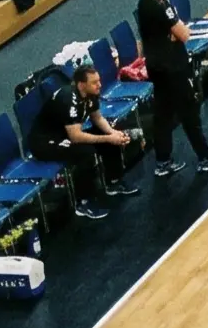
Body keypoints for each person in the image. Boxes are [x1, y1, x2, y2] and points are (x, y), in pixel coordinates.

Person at [137, 0, 208, 178]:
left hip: (156, 65)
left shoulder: (144, 0)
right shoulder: (161, 4)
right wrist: (175, 32)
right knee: (188, 111)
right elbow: (184, 34)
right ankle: (205, 158)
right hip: (172, 67)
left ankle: (163, 161)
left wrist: (173, 33)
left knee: (163, 114)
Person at [32, 63, 137, 219]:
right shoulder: (69, 100)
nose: (99, 85)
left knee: (107, 137)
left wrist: (114, 134)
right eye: (94, 82)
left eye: (99, 81)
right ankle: (83, 203)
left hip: (66, 132)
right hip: (45, 142)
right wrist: (108, 138)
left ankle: (114, 181)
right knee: (85, 153)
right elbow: (76, 137)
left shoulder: (91, 93)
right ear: (81, 84)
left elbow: (97, 118)